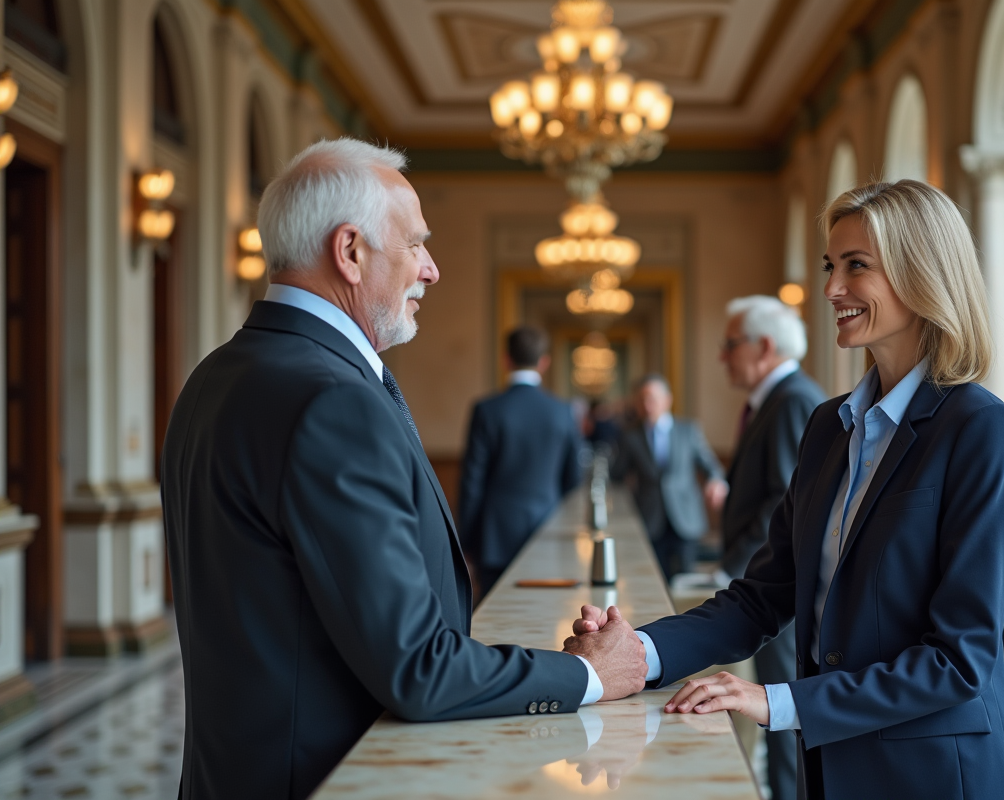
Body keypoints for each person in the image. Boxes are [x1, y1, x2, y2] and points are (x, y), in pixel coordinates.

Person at [160, 139, 647, 800]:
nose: (432, 269)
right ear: (350, 252)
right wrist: (589, 675)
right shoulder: (333, 400)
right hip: (328, 778)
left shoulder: (214, 375)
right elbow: (419, 668)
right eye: (416, 245)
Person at [567, 179, 1004, 799]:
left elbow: (960, 661)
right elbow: (763, 596)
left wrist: (776, 700)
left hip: (933, 775)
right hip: (834, 767)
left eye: (856, 266)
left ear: (922, 274)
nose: (831, 289)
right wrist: (639, 650)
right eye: (830, 266)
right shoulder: (828, 425)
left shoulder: (984, 430)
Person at [717, 295, 825, 800]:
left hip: (778, 591)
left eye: (730, 345)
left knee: (784, 720)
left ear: (763, 346)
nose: (723, 356)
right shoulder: (774, 400)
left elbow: (782, 505)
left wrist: (735, 573)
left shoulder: (792, 399)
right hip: (766, 583)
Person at [459, 325, 582, 598]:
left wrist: (465, 541)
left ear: (506, 359)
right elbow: (574, 476)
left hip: (496, 535)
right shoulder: (562, 411)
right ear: (544, 362)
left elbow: (472, 483)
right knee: (545, 611)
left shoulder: (487, 410)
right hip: (548, 528)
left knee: (494, 618)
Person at [612, 375, 727, 581]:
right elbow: (616, 475)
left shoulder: (688, 430)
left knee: (685, 580)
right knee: (654, 578)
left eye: (652, 399)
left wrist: (716, 481)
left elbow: (711, 466)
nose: (647, 405)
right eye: (642, 400)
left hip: (685, 518)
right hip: (649, 518)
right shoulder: (630, 436)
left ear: (667, 400)